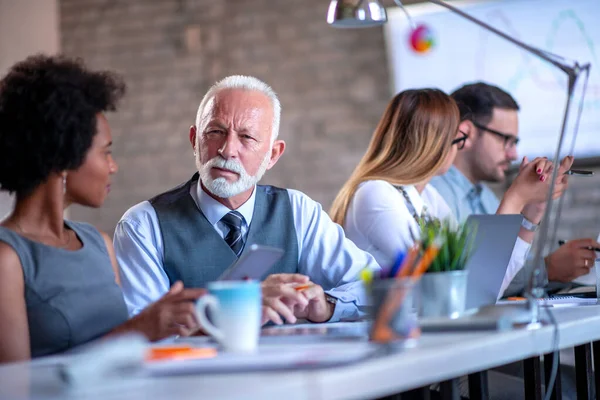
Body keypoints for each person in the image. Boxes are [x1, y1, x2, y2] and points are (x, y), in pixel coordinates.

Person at [114, 75, 379, 326]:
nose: (227, 150)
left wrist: (329, 304)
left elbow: (376, 284)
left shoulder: (298, 212)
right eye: (215, 131)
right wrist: (243, 304)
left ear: (273, 154)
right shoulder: (143, 226)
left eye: (246, 137)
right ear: (195, 141)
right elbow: (141, 329)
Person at [0, 55, 204, 363]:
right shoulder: (7, 260)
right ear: (64, 155)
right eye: (105, 152)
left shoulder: (99, 244)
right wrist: (140, 328)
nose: (113, 166)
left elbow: (122, 356)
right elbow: (14, 386)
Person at [330, 88, 570, 295]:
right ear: (435, 143)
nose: (458, 149)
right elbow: (455, 289)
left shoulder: (429, 198)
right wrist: (515, 198)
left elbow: (487, 288)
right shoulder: (376, 194)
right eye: (457, 139)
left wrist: (529, 214)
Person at [430, 82, 598, 295]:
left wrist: (531, 211)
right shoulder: (434, 195)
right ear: (467, 133)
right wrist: (547, 268)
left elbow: (507, 271)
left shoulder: (487, 197)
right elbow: (469, 286)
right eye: (506, 140)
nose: (513, 154)